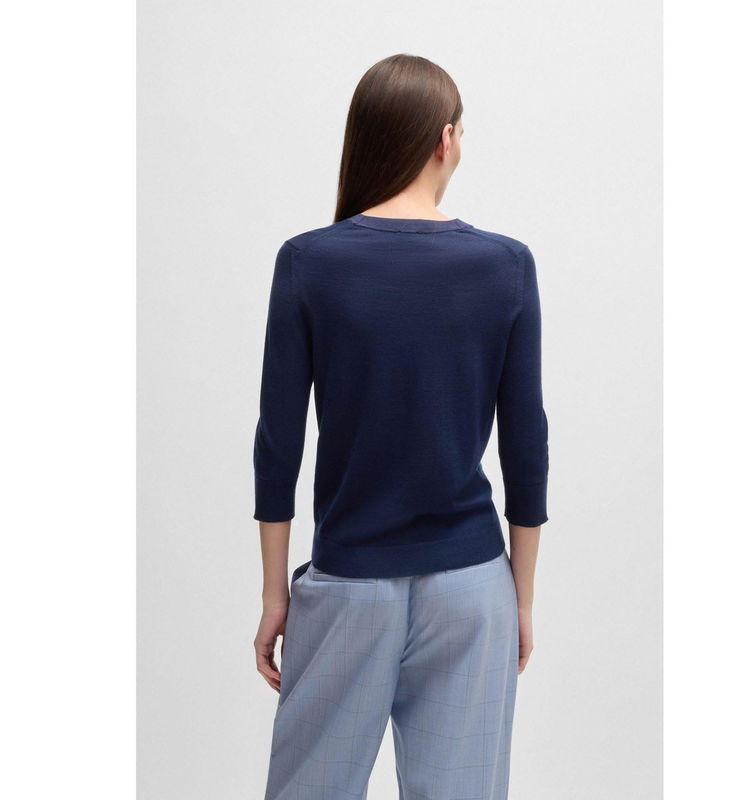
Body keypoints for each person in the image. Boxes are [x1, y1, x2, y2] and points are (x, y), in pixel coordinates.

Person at [253, 53, 549, 800]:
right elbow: (528, 448)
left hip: (347, 584)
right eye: (461, 134)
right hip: (472, 586)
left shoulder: (309, 262)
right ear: (445, 138)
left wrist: (274, 596)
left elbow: (277, 445)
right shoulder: (506, 265)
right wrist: (520, 597)